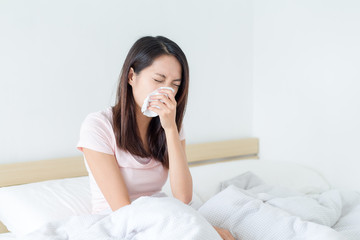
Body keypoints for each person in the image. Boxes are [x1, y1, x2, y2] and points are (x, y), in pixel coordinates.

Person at [77, 36, 235, 240]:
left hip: (166, 216)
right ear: (131, 76)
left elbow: (183, 197)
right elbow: (123, 210)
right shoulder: (98, 126)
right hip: (119, 223)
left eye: (174, 85)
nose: (165, 91)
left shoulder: (170, 125)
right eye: (158, 80)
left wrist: (170, 129)